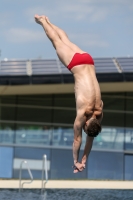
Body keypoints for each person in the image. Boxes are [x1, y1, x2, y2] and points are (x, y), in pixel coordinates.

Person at [34, 15, 103, 173]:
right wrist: (76, 161)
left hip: (88, 60)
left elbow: (90, 137)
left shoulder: (99, 111)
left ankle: (48, 20)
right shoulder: (82, 113)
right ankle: (43, 22)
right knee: (56, 41)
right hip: (75, 64)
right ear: (86, 124)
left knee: (65, 38)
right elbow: (78, 140)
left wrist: (84, 159)